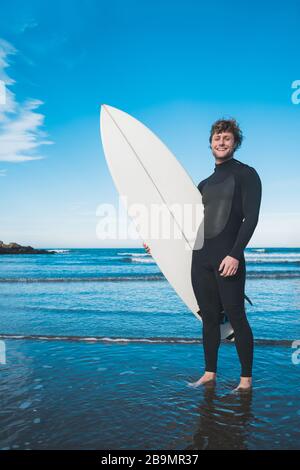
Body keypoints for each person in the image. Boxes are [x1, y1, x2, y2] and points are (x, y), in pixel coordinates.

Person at [144, 118, 262, 392]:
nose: (221, 142)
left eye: (227, 139)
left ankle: (246, 380)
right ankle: (210, 374)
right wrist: (158, 245)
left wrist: (235, 254)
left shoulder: (246, 174)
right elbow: (188, 225)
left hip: (226, 259)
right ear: (210, 143)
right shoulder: (203, 184)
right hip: (201, 259)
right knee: (208, 318)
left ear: (235, 143)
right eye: (217, 138)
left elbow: (251, 218)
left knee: (236, 315)